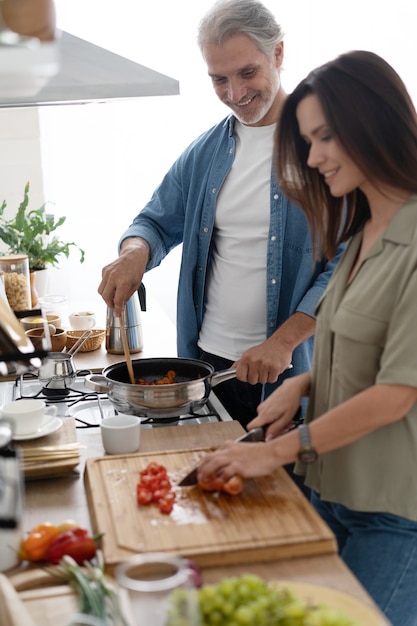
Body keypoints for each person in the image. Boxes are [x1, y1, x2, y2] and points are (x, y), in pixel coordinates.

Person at [197, 49, 417, 626]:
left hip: (395, 511)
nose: (313, 158)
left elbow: (398, 391)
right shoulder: (363, 229)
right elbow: (373, 352)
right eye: (307, 142)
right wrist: (305, 385)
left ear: (372, 123)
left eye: (325, 138)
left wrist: (274, 452)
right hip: (333, 490)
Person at [98, 0, 344, 431]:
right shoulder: (206, 151)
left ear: (279, 54)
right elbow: (154, 221)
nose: (235, 93)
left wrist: (283, 341)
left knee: (286, 494)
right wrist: (135, 252)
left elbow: (350, 262)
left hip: (291, 368)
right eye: (219, 79)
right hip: (207, 368)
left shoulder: (324, 150)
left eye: (247, 73)